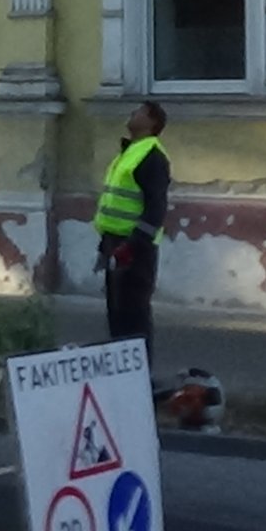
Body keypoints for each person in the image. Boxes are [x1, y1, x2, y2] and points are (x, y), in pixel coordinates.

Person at [94, 100, 171, 380]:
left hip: (134, 249)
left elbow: (156, 208)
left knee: (134, 314)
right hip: (116, 243)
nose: (131, 114)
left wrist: (134, 243)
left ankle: (138, 377)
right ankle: (121, 374)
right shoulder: (129, 152)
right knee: (117, 313)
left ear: (152, 122)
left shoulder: (151, 155)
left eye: (138, 111)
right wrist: (107, 245)